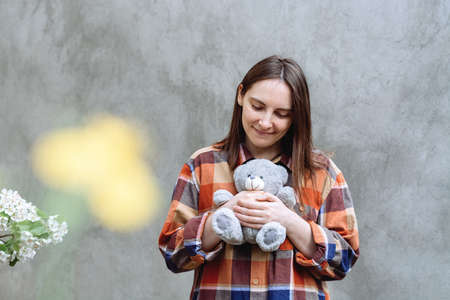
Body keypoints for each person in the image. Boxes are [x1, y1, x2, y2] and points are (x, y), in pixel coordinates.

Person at [158, 55, 360, 300]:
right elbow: (172, 254)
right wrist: (221, 218)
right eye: (258, 106)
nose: (266, 122)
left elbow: (344, 260)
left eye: (281, 113)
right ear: (241, 95)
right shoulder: (201, 165)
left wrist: (289, 221)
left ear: (296, 115)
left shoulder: (322, 173)